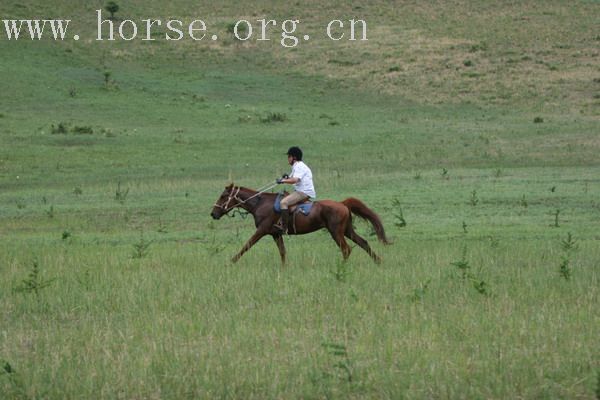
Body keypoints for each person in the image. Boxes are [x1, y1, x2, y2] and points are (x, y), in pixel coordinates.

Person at [275, 146, 316, 233]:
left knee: (283, 202)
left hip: (303, 192)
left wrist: (283, 181)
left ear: (294, 157)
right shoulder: (296, 166)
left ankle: (284, 227)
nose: (288, 159)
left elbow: (295, 180)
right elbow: (292, 177)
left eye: (289, 156)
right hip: (301, 191)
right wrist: (287, 177)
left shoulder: (299, 166)